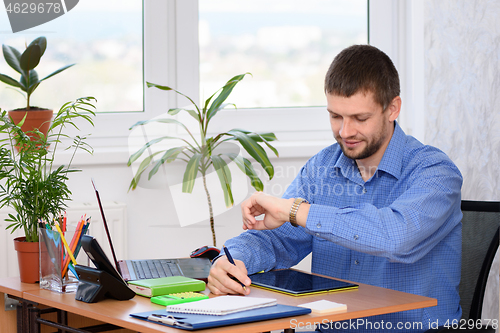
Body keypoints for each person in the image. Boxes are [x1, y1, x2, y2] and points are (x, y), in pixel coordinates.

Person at [208, 44, 462, 332]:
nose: (345, 132)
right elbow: (276, 238)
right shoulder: (322, 168)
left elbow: (395, 236)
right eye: (335, 116)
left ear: (393, 108)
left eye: (360, 118)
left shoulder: (435, 172)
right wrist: (230, 260)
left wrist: (296, 210)